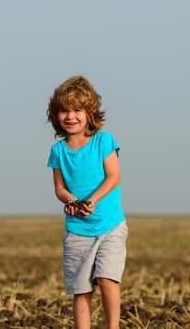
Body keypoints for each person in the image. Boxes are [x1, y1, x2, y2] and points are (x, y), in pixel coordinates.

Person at [46, 75, 128, 329]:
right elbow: (59, 188)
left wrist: (91, 200)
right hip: (78, 231)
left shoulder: (104, 141)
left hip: (110, 225)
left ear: (89, 112)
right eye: (63, 111)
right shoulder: (58, 151)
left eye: (77, 110)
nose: (70, 116)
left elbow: (113, 177)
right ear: (55, 116)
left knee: (106, 279)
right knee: (81, 290)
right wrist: (71, 201)